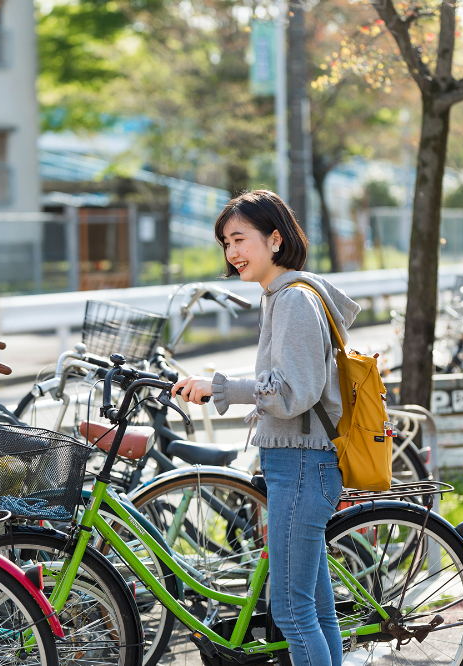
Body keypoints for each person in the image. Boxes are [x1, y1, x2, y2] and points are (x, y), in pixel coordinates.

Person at [172, 190, 360, 666]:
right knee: (315, 609)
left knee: (292, 611)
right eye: (225, 243)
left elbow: (295, 390)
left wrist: (221, 388)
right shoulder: (282, 296)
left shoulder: (294, 301)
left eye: (240, 239)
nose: (232, 252)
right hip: (299, 463)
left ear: (275, 239)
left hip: (301, 464)